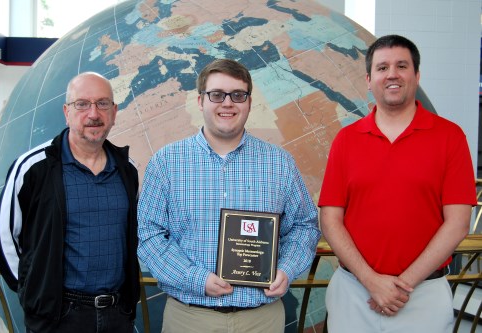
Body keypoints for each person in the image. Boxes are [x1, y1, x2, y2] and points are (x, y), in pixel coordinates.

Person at [137, 58, 320, 332]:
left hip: (262, 318)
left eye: (238, 95)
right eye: (217, 94)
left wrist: (287, 269)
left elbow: (305, 225)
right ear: (201, 101)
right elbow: (149, 235)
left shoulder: (279, 163)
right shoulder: (166, 163)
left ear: (249, 102)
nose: (228, 103)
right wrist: (196, 279)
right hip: (190, 318)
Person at [318, 34, 477, 333]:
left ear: (416, 75)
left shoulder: (450, 137)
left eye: (401, 66)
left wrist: (400, 287)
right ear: (369, 79)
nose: (392, 74)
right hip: (354, 292)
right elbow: (330, 220)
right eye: (382, 67)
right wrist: (371, 281)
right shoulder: (346, 140)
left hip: (424, 296)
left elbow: (457, 223)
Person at [0, 72, 140, 333]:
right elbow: (2, 238)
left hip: (117, 315)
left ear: (114, 112)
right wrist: (33, 294)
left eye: (103, 103)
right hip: (58, 318)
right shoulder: (33, 167)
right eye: (82, 104)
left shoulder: (128, 170)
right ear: (66, 112)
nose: (93, 113)